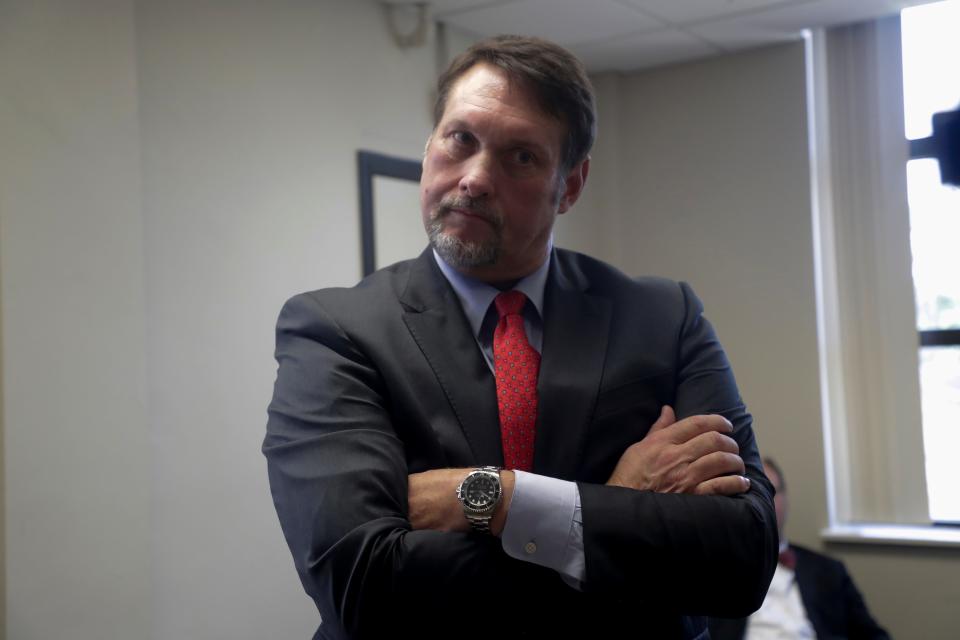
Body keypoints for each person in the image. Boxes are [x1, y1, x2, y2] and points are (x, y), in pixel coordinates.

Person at [263, 35, 778, 639]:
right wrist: (611, 504)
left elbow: (741, 561)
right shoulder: (336, 332)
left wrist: (496, 497)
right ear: (429, 146)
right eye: (461, 140)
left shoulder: (664, 318)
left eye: (521, 157)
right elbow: (364, 585)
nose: (477, 178)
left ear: (572, 184)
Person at [709, 458, 891, 639]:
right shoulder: (714, 574)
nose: (762, 504)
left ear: (786, 499)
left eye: (770, 492)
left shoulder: (829, 571)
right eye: (750, 494)